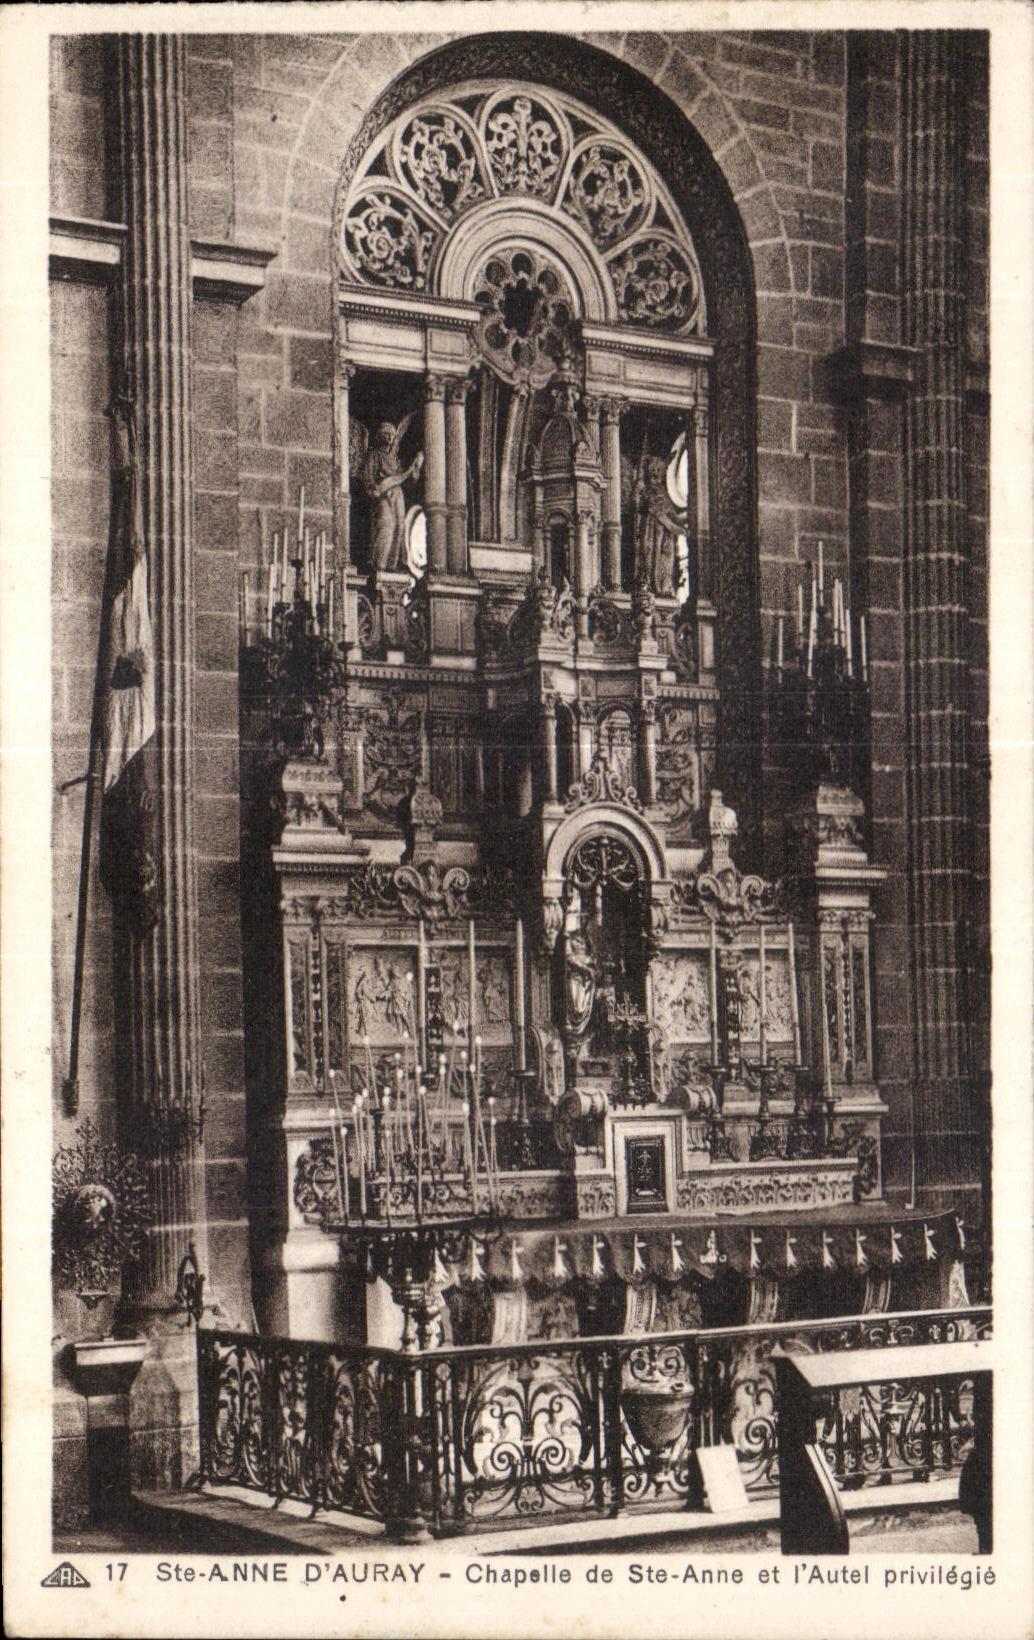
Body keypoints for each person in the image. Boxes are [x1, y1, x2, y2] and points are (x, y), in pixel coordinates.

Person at [361, 417, 424, 571]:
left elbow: (406, 480)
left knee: (399, 527)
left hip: (397, 495)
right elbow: (368, 477)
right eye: (386, 434)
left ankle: (392, 564)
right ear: (380, 435)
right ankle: (379, 563)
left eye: (392, 434)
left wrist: (415, 470)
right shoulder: (374, 455)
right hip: (383, 495)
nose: (389, 437)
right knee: (386, 525)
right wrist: (373, 488)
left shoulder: (395, 460)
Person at [633, 453, 686, 598]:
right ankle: (652, 585)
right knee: (651, 556)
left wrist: (682, 527)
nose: (656, 476)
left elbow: (671, 513)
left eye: (658, 472)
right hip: (651, 530)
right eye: (653, 472)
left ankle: (663, 586)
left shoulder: (663, 493)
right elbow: (641, 506)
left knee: (665, 558)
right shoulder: (645, 491)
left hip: (665, 534)